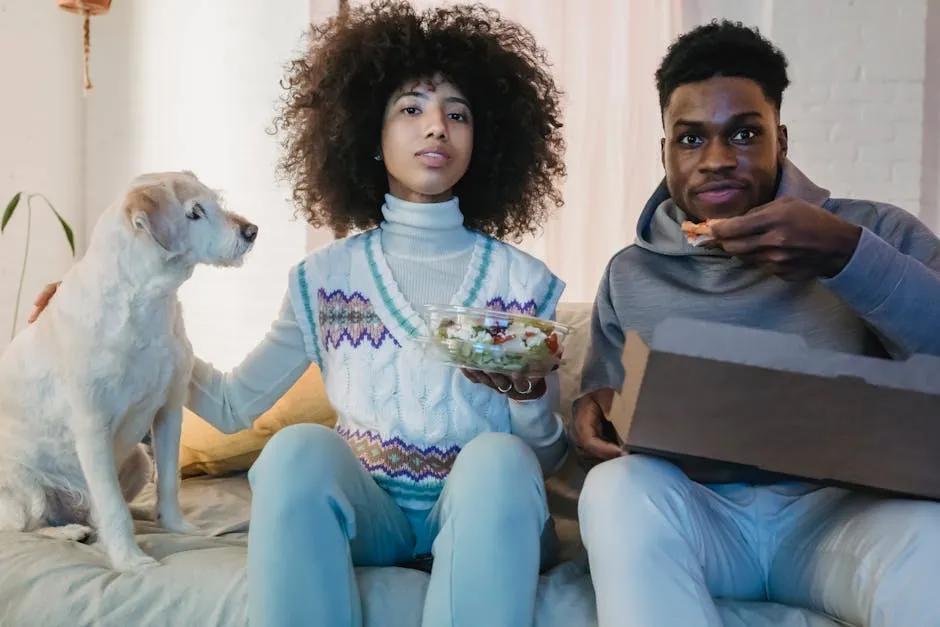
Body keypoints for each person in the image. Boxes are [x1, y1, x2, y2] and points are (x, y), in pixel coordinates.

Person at [31, 2, 568, 626]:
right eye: (411, 108)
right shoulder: (324, 279)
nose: (437, 128)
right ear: (370, 132)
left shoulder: (524, 282)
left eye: (458, 113)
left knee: (500, 460)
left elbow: (548, 460)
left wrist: (530, 401)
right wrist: (133, 334)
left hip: (484, 508)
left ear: (485, 139)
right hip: (374, 515)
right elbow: (232, 407)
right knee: (294, 451)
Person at [572, 19, 940, 627]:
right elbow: (610, 411)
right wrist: (591, 418)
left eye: (743, 134)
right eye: (690, 140)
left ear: (782, 140)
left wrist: (847, 258)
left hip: (841, 517)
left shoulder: (874, 232)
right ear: (663, 150)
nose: (716, 161)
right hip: (702, 520)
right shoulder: (629, 273)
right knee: (615, 493)